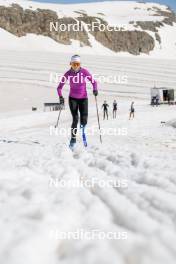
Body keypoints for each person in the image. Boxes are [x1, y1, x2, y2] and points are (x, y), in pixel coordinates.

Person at [57, 54, 98, 148]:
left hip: (84, 98)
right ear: (70, 64)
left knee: (84, 119)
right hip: (73, 99)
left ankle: (83, 131)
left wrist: (95, 89)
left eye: (77, 64)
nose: (75, 66)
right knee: (75, 119)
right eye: (73, 64)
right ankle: (73, 139)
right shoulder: (68, 73)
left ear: (80, 64)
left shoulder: (84, 72)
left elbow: (93, 82)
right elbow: (59, 87)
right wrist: (60, 97)